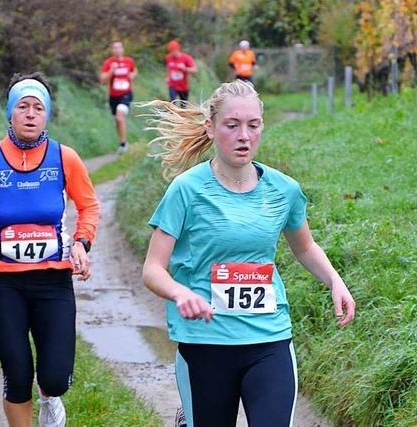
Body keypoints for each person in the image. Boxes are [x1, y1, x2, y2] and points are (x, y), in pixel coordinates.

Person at [140, 80, 355, 427]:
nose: (244, 135)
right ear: (210, 128)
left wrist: (335, 281)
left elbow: (305, 246)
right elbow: (153, 269)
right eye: (232, 125)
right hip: (205, 341)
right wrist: (181, 293)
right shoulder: (186, 190)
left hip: (268, 338)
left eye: (253, 125)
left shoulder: (284, 190)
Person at [0, 72, 99, 427]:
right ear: (10, 113)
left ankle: (50, 398)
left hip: (53, 283)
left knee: (55, 377)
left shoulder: (65, 158)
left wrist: (81, 243)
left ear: (47, 115)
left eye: (38, 107)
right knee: (17, 376)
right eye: (22, 106)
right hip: (3, 285)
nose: (30, 114)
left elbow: (89, 206)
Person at [100, 40, 137, 154]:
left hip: (126, 94)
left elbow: (134, 71)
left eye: (119, 47)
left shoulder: (129, 61)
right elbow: (103, 81)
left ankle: (123, 145)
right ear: (112, 50)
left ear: (123, 49)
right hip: (114, 96)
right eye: (115, 48)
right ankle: (123, 141)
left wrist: (132, 75)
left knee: (120, 116)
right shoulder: (108, 63)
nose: (117, 50)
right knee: (117, 119)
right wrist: (112, 70)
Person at [165, 39, 198, 104]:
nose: (173, 53)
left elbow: (195, 70)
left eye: (174, 51)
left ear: (178, 49)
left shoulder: (186, 58)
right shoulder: (168, 58)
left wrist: (185, 69)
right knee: (172, 104)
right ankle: (172, 113)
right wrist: (167, 77)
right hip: (172, 85)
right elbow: (168, 67)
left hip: (183, 87)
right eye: (171, 51)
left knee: (183, 106)